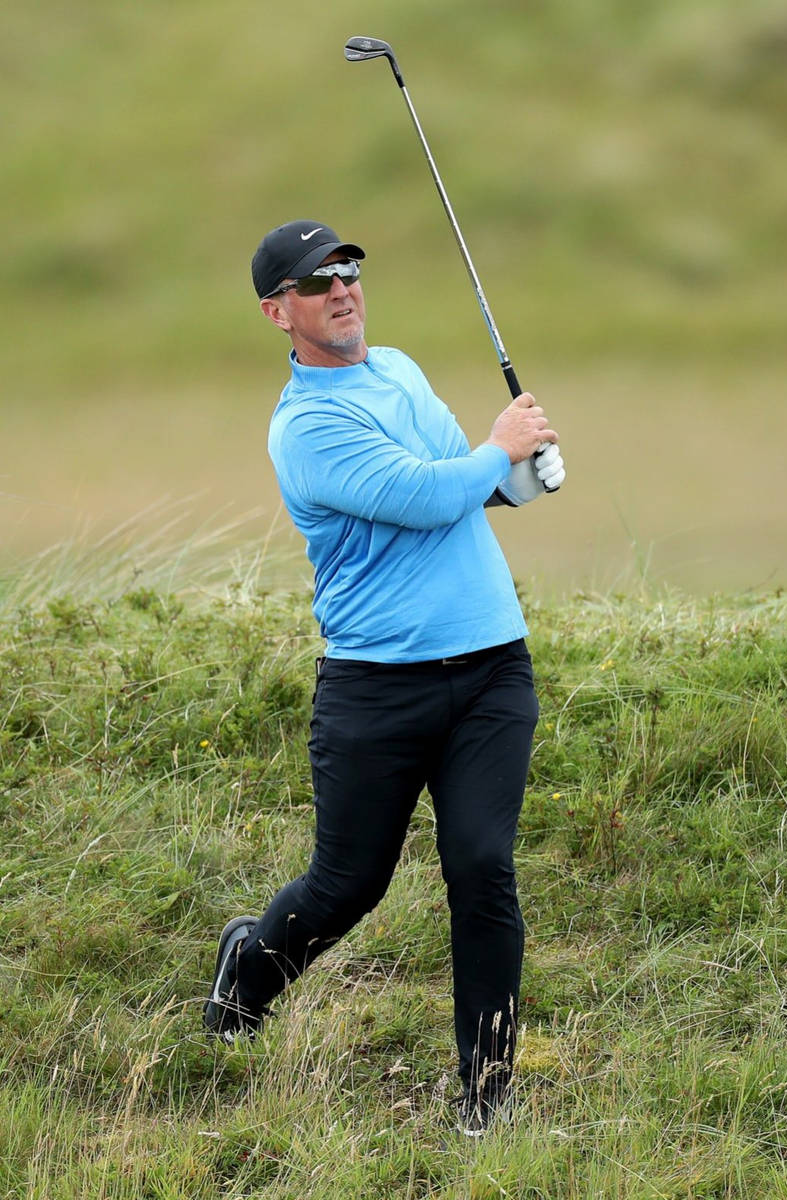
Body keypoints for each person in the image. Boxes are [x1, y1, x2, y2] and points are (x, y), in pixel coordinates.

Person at [202, 220, 566, 1135]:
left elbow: (464, 481)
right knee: (347, 885)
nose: (342, 287)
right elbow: (417, 493)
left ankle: (487, 1092)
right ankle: (248, 971)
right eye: (317, 279)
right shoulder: (307, 429)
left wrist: (522, 476)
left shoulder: (397, 369)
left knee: (482, 867)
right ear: (277, 310)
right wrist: (500, 444)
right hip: (376, 689)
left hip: (490, 668)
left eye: (350, 269)